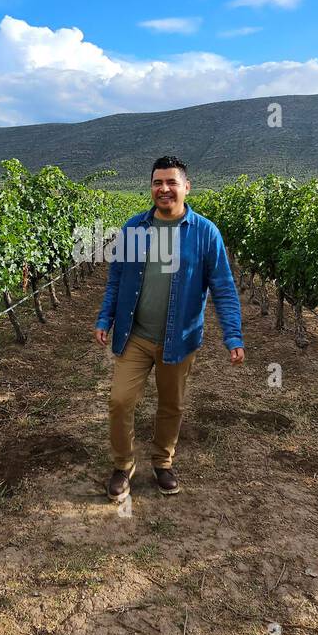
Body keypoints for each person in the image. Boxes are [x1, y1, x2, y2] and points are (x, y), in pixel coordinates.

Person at [94, 155, 244, 501]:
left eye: (171, 182)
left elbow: (222, 286)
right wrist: (105, 318)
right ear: (151, 187)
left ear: (186, 187)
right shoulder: (134, 228)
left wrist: (233, 335)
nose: (164, 189)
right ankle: (123, 465)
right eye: (157, 182)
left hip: (180, 338)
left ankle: (163, 461)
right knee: (119, 401)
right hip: (135, 335)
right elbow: (115, 280)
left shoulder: (205, 232)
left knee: (171, 404)